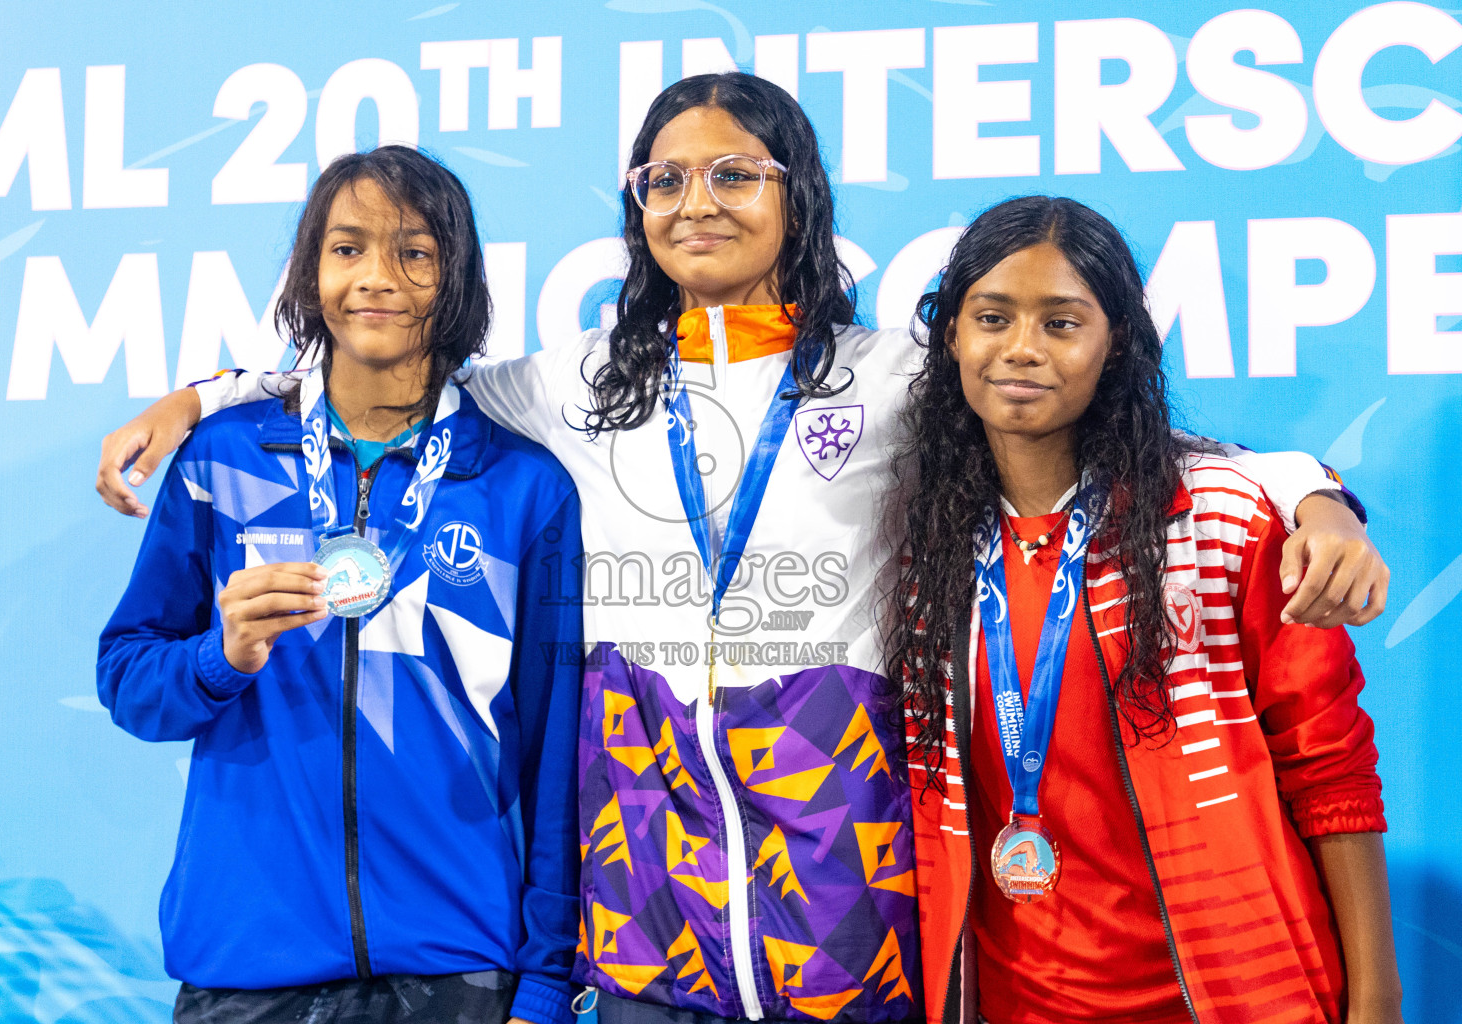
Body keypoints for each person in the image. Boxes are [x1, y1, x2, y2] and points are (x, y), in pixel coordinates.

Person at [93, 75, 1387, 1023]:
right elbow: (385, 368)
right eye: (665, 178)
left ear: (797, 196)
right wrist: (211, 395)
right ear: (636, 209)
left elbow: (1082, 411)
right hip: (650, 925)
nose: (695, 200)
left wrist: (1314, 488)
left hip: (852, 912)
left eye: (734, 174)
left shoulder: (895, 375)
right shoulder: (567, 384)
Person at [96, 146, 582, 1024]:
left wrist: (547, 975)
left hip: (456, 966)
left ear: (458, 279)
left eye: (416, 253)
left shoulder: (523, 487)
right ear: (310, 273)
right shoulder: (223, 459)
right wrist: (220, 657)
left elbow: (556, 755)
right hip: (246, 960)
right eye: (348, 248)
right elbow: (129, 681)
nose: (378, 279)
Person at [893, 196, 1400, 1024]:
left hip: (1232, 991)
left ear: (1115, 342)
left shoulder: (1221, 516)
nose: (1021, 349)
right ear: (951, 333)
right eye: (992, 317)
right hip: (1011, 997)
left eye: (1062, 324)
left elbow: (1331, 770)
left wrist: (1378, 998)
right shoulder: (921, 540)